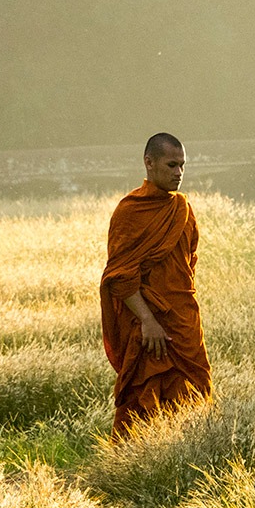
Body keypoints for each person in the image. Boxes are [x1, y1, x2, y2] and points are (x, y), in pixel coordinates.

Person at [100, 132, 212, 440]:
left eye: (182, 166)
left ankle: (188, 460)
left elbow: (189, 265)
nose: (178, 173)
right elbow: (120, 276)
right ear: (149, 163)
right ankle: (133, 466)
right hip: (148, 326)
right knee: (145, 396)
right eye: (171, 165)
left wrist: (180, 310)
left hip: (183, 321)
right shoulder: (130, 211)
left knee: (194, 397)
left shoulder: (183, 210)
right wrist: (148, 320)